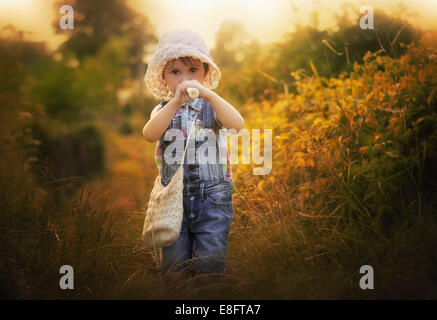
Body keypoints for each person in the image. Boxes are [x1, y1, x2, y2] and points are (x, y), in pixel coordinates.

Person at [142, 29, 244, 288]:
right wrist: (174, 103)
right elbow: (149, 134)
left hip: (212, 199)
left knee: (209, 268)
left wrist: (209, 94)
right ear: (164, 78)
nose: (185, 79)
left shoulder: (214, 105)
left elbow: (238, 124)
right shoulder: (163, 109)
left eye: (193, 71)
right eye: (175, 72)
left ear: (205, 74)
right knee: (173, 271)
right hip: (173, 198)